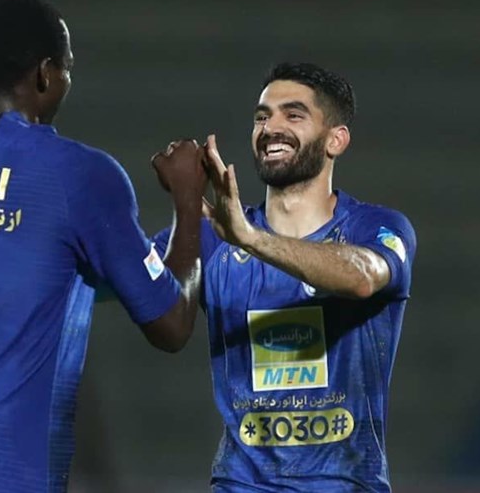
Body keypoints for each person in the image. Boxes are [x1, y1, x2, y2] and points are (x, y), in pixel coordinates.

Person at [0, 0, 206, 493]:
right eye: (67, 68)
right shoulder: (80, 175)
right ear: (45, 74)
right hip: (6, 458)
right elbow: (173, 323)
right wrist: (189, 200)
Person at [153, 62, 416, 492]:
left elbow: (363, 277)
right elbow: (125, 279)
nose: (271, 128)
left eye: (293, 115)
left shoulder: (376, 227)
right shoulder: (213, 238)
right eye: (262, 117)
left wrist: (251, 238)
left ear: (336, 140)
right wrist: (184, 206)